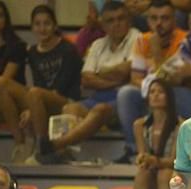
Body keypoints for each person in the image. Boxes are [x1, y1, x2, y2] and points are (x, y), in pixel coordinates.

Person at [29, 1, 140, 165]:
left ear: (128, 20)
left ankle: (56, 145)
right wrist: (115, 76)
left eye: (120, 19)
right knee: (70, 108)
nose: (116, 24)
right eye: (110, 20)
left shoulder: (137, 37)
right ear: (103, 24)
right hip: (97, 96)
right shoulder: (97, 44)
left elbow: (127, 71)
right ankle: (63, 153)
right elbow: (86, 79)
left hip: (122, 98)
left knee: (99, 109)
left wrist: (100, 73)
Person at [0, 6, 82, 164]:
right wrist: (30, 107)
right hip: (40, 96)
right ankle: (21, 143)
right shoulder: (32, 52)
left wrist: (32, 107)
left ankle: (43, 147)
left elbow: (60, 87)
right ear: (32, 27)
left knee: (35, 93)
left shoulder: (68, 49)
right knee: (0, 83)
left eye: (47, 23)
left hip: (65, 101)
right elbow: (39, 83)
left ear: (55, 26)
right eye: (37, 24)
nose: (42, 28)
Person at [117, 0, 189, 161]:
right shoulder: (142, 40)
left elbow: (168, 81)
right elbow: (135, 78)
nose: (159, 23)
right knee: (126, 93)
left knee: (165, 92)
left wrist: (156, 53)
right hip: (151, 92)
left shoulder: (185, 40)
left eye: (164, 18)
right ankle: (135, 151)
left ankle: (172, 155)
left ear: (174, 20)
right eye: (154, 18)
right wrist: (152, 89)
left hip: (177, 95)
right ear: (148, 21)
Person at [132, 79, 180, 189]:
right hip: (152, 173)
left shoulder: (180, 125)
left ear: (168, 97)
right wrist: (142, 159)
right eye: (152, 92)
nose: (155, 95)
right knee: (142, 173)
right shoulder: (139, 125)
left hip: (174, 174)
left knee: (165, 173)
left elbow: (176, 161)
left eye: (160, 92)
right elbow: (142, 153)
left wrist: (156, 161)